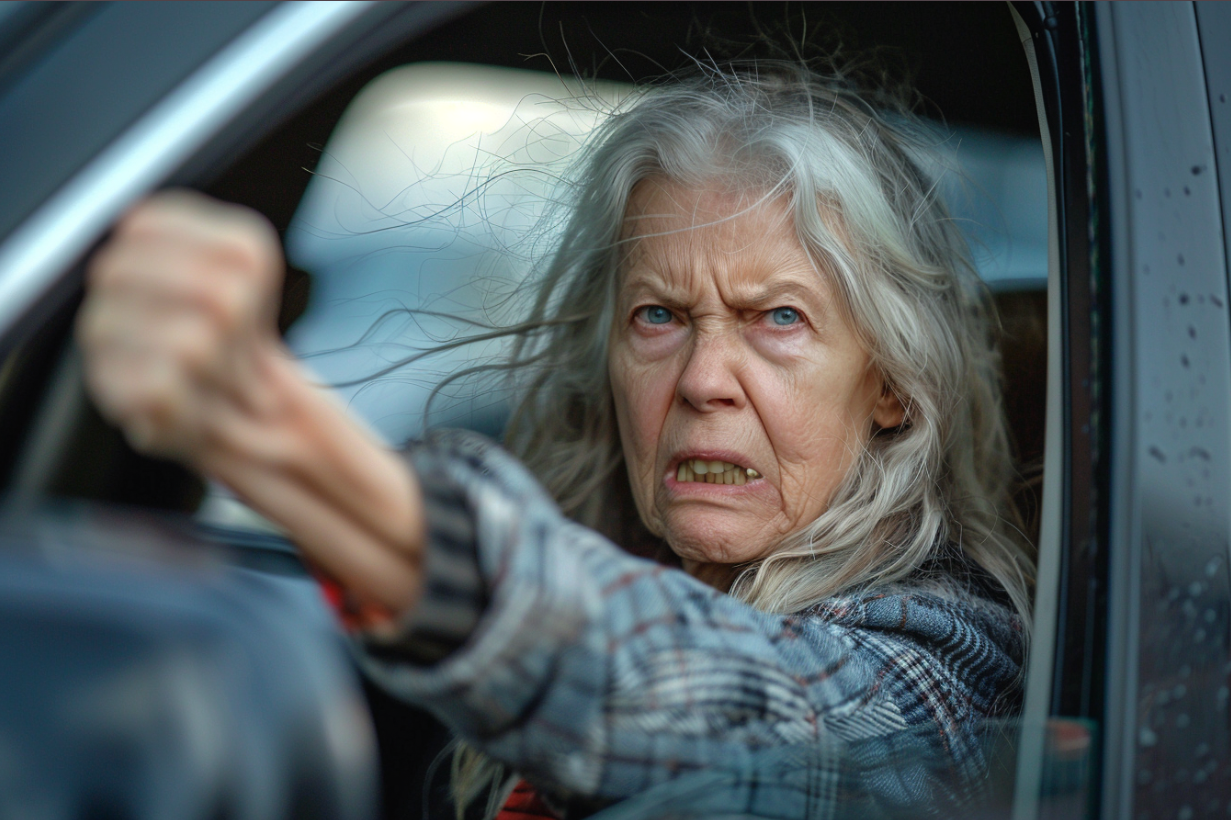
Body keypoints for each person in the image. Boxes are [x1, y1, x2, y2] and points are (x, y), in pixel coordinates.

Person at [76, 62, 1034, 818]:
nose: (702, 381)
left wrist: (270, 432)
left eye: (777, 319)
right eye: (658, 316)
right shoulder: (624, 555)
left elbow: (752, 710)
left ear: (892, 387)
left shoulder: (952, 660)